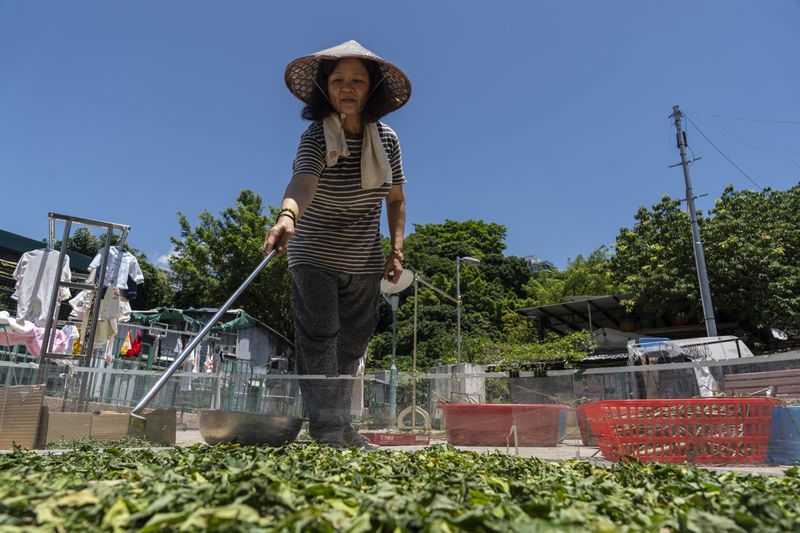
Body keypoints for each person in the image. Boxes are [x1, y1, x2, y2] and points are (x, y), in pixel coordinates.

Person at [263, 40, 412, 448]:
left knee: (352, 344)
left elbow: (396, 199)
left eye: (357, 81)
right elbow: (303, 181)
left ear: (372, 89)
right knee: (320, 335)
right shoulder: (315, 137)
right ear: (325, 88)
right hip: (313, 249)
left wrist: (397, 250)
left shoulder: (388, 140)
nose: (347, 88)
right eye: (338, 80)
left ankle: (343, 424)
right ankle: (326, 428)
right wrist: (287, 216)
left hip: (363, 256)